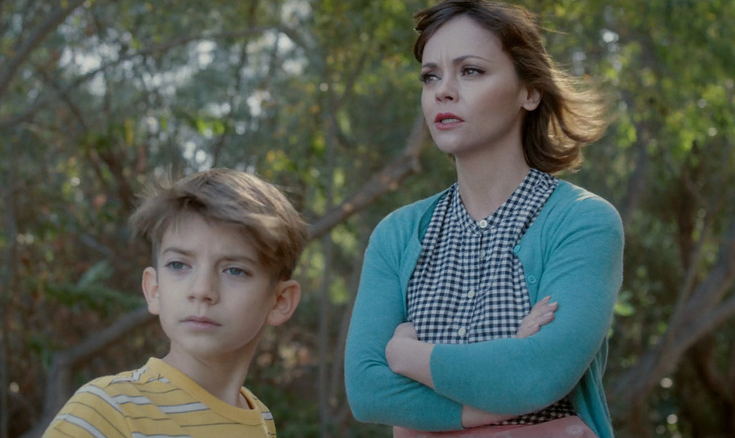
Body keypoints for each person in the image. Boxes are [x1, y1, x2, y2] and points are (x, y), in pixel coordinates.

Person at [344, 1, 624, 437]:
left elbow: (537, 376)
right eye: (431, 76)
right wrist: (501, 412)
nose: (443, 91)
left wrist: (407, 357)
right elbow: (366, 390)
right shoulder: (397, 235)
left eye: (470, 71)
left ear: (529, 91)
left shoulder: (583, 223)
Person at [42, 168, 307, 437]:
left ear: (280, 301)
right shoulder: (107, 411)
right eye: (179, 265)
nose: (202, 290)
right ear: (154, 289)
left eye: (235, 270)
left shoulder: (261, 421)